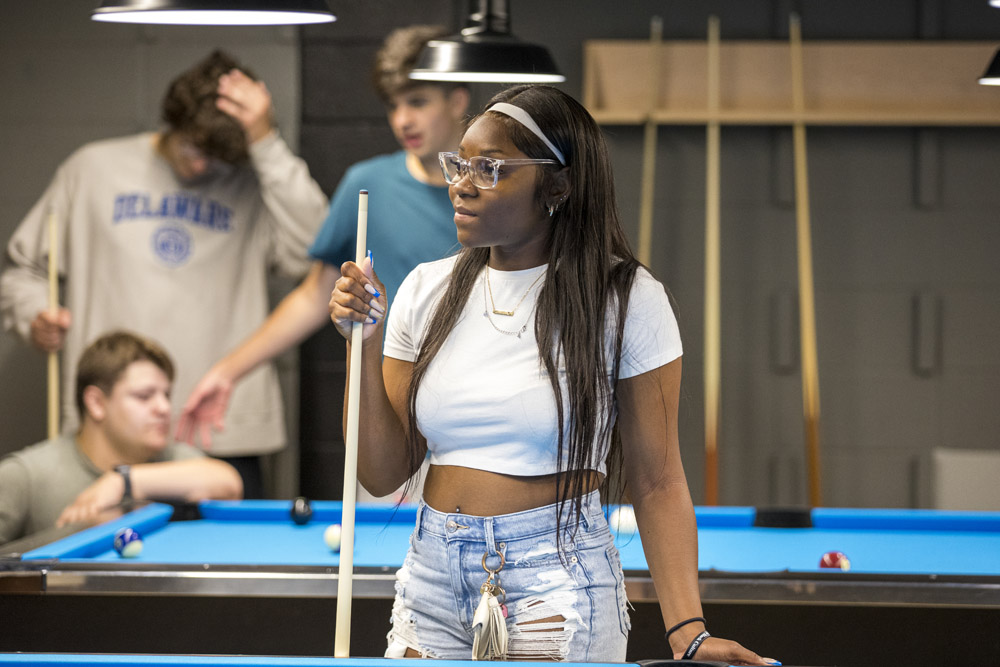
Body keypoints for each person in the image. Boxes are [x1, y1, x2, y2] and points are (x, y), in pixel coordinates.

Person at [328, 85, 779, 664]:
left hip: (557, 582)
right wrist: (359, 345)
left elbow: (658, 479)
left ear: (558, 187)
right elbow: (379, 470)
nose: (461, 183)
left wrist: (687, 632)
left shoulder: (625, 298)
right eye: (460, 164)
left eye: (490, 168)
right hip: (433, 578)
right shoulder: (425, 290)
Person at [0, 50, 328, 498]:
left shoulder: (252, 183)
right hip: (108, 433)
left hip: (222, 431)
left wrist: (265, 141)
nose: (200, 167)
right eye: (194, 148)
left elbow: (318, 252)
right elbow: (24, 269)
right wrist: (35, 313)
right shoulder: (91, 170)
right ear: (172, 121)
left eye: (216, 161)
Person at [176, 27, 470, 502]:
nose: (402, 119)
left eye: (417, 101)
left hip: (477, 416)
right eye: (393, 105)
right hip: (392, 417)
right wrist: (226, 372)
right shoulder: (369, 183)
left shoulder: (491, 194)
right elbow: (316, 295)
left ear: (458, 99)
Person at [0, 331, 243, 545]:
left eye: (166, 395)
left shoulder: (172, 458)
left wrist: (122, 480)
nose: (164, 408)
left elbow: (229, 484)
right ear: (96, 403)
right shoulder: (25, 475)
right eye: (144, 396)